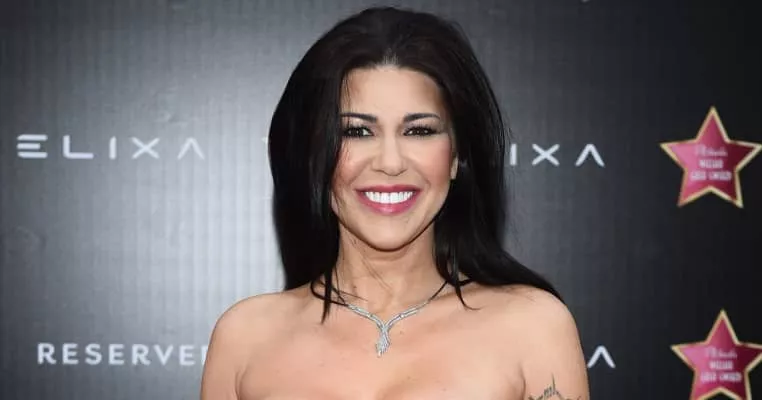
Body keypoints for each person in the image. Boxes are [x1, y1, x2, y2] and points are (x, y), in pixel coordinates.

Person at [201, 6, 589, 400]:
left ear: (456, 155)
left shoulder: (532, 327)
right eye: (357, 131)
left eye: (419, 131)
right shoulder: (245, 337)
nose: (390, 163)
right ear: (314, 154)